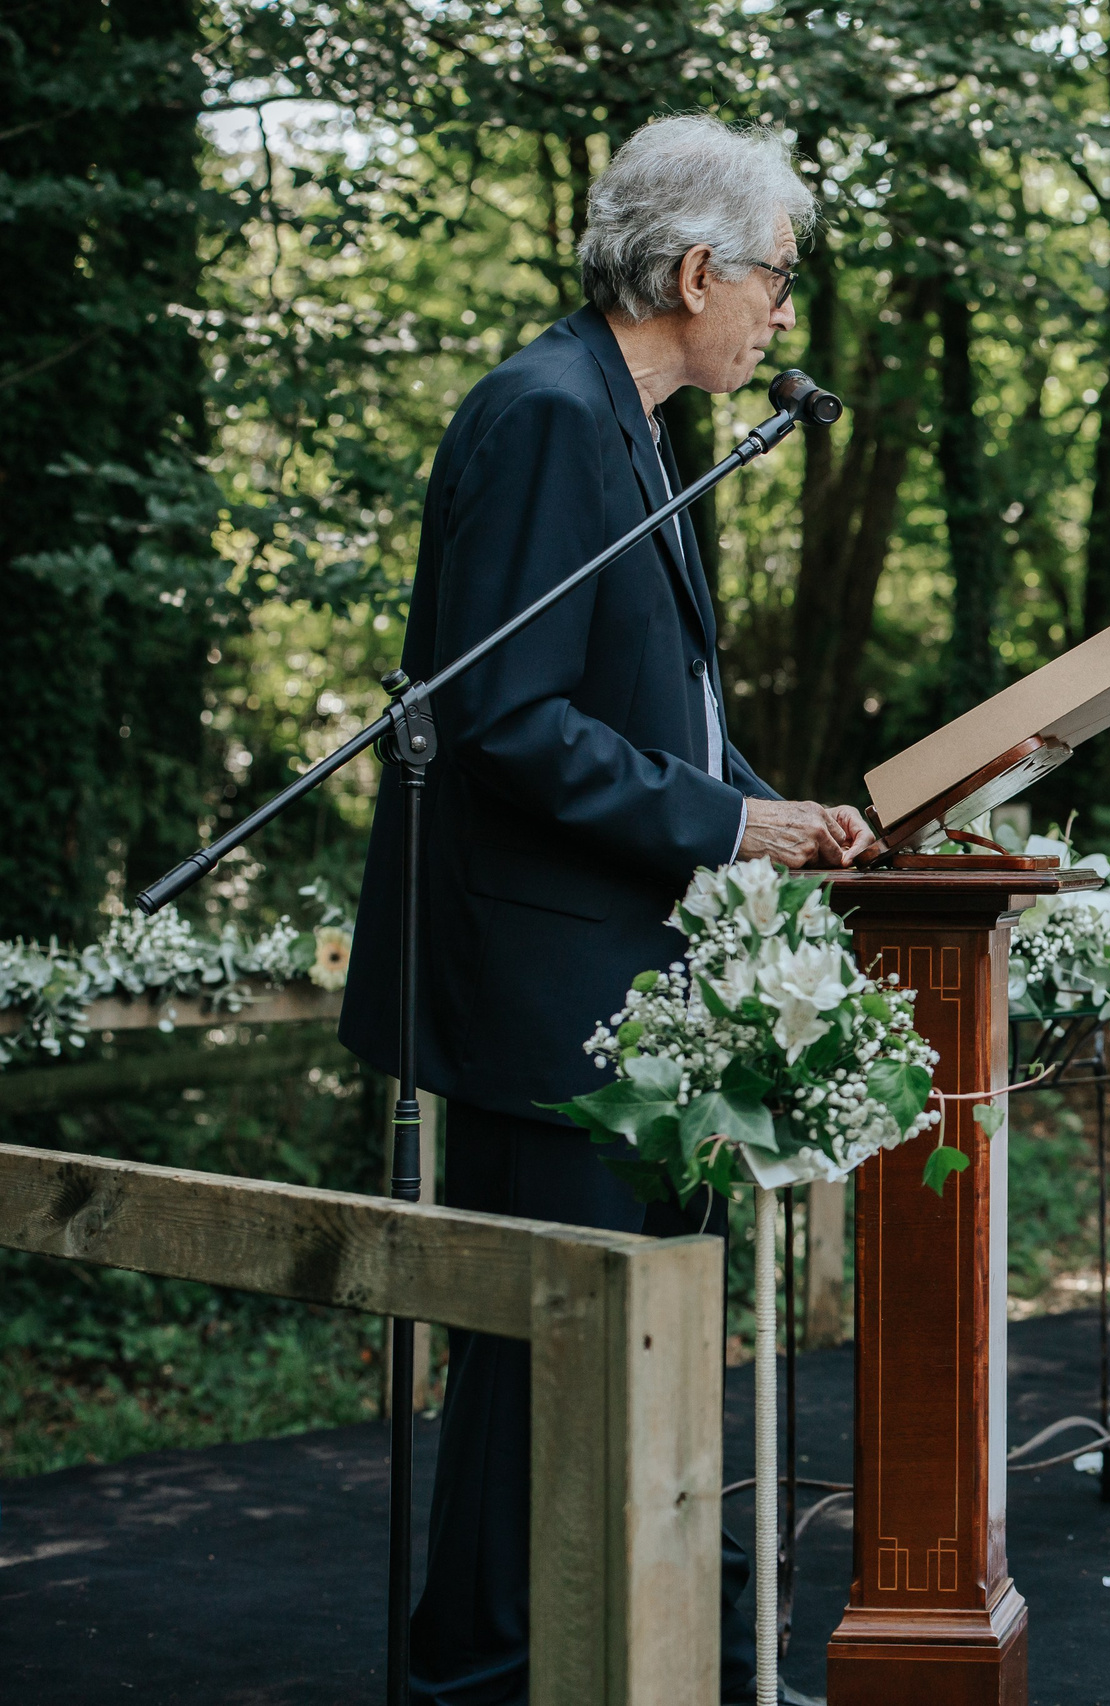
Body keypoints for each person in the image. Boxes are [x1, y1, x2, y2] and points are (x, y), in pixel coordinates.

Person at [338, 115, 873, 1705]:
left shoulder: (633, 429)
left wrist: (779, 811)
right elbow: (504, 715)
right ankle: (487, 1678)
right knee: (537, 1392)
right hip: (546, 1002)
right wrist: (725, 818)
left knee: (640, 1377)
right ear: (699, 268)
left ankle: (647, 1666)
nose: (786, 314)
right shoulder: (548, 413)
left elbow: (657, 715)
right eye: (777, 280)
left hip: (639, 988)